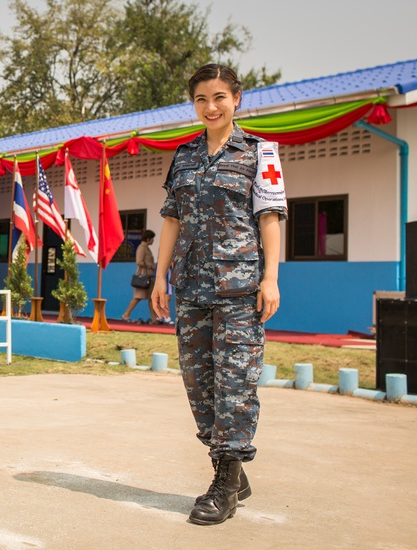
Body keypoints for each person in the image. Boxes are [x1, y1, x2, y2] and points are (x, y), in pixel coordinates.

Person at [151, 63, 286, 526]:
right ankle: (230, 469)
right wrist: (159, 277)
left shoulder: (259, 153)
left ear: (237, 100)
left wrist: (271, 278)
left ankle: (225, 482)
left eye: (219, 98)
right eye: (201, 100)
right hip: (190, 286)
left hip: (239, 287)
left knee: (235, 383)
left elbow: (269, 218)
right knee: (198, 382)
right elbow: (172, 218)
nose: (210, 107)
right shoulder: (185, 155)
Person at [120, 230, 160, 324]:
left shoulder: (146, 248)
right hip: (144, 277)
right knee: (138, 297)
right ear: (148, 239)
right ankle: (126, 314)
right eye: (152, 239)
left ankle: (154, 318)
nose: (153, 241)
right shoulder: (142, 248)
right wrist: (150, 266)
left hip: (149, 277)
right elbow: (139, 262)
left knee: (151, 298)